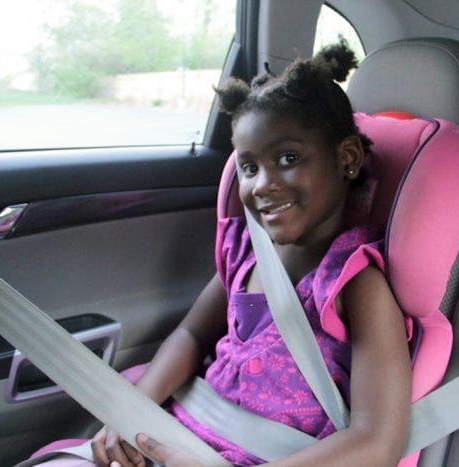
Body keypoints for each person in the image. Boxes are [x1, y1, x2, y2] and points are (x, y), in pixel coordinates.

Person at [36, 40, 412, 467]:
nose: (262, 184)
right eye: (249, 167)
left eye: (288, 157)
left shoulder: (356, 283)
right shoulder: (245, 254)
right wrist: (133, 412)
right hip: (179, 435)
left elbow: (377, 440)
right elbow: (192, 335)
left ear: (346, 158)